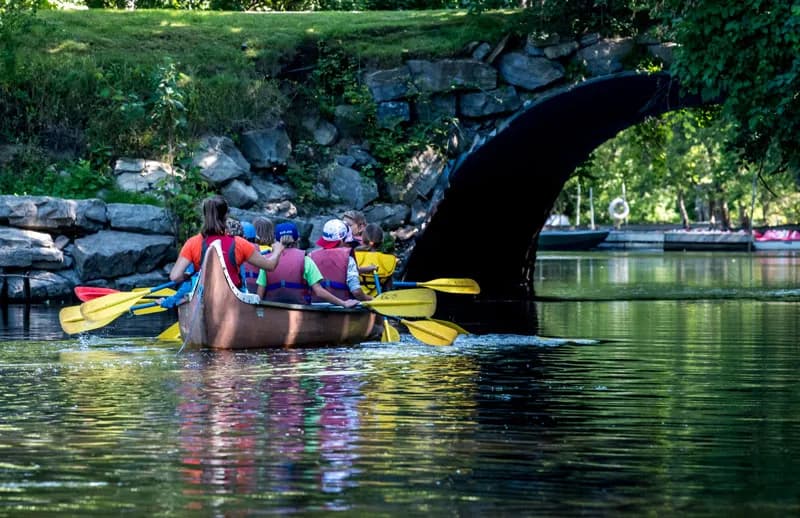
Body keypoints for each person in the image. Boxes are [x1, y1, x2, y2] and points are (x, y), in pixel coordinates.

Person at [169, 195, 284, 290]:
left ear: (204, 215)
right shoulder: (240, 243)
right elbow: (270, 266)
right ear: (226, 216)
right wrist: (277, 251)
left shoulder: (192, 243)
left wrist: (188, 275)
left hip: (204, 296)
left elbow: (175, 276)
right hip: (231, 301)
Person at [256, 222, 359, 308]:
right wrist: (343, 303)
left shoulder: (267, 261)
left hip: (272, 310)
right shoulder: (306, 260)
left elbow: (259, 295)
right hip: (299, 310)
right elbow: (318, 291)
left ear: (276, 241)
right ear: (297, 240)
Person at [308, 218, 372, 302]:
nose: (348, 245)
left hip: (315, 306)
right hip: (342, 309)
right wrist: (369, 298)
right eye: (348, 242)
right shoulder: (348, 259)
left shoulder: (311, 256)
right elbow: (356, 292)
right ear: (342, 241)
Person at [354, 223, 397, 296]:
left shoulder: (353, 255)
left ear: (363, 239)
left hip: (355, 298)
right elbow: (388, 287)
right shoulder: (389, 259)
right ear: (382, 241)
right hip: (376, 299)